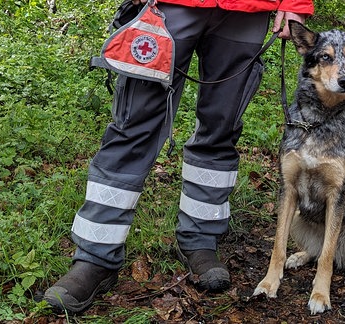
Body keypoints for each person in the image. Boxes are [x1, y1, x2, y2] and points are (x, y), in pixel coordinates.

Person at [44, 0, 313, 314]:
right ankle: (95, 257)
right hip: (168, 6)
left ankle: (199, 239)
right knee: (134, 126)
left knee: (221, 128)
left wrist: (295, 3)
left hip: (247, 11)